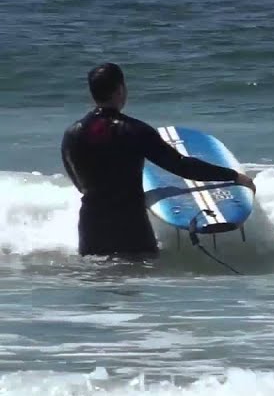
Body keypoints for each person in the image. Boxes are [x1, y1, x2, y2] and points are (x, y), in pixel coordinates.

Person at [61, 63, 256, 258]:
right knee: (137, 273)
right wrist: (233, 176)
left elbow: (78, 181)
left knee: (98, 273)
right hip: (130, 227)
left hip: (92, 228)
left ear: (92, 93)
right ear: (120, 90)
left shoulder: (72, 133)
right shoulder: (135, 131)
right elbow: (181, 165)